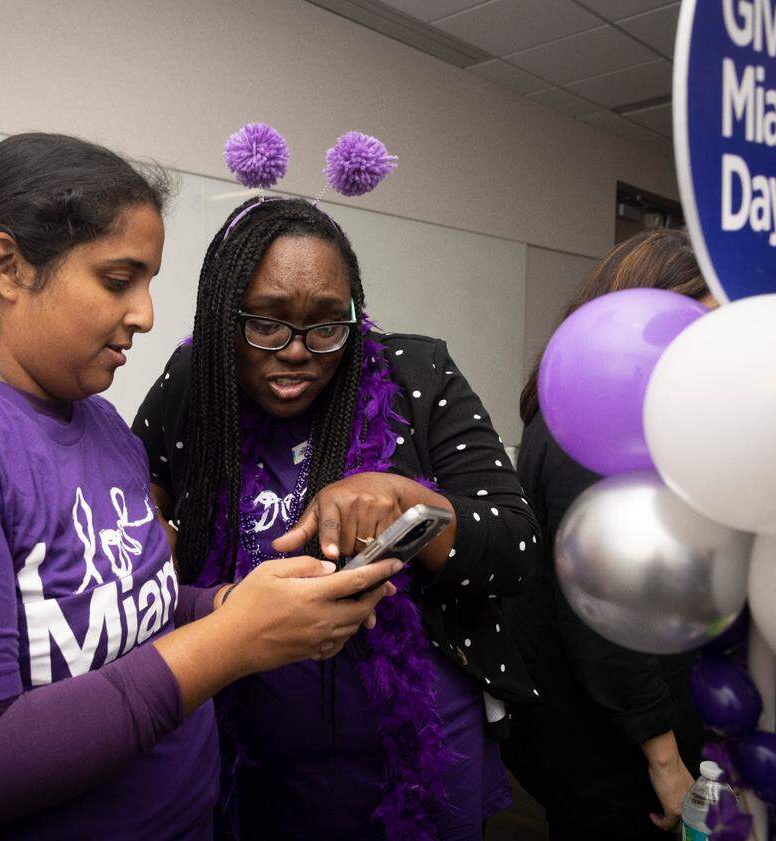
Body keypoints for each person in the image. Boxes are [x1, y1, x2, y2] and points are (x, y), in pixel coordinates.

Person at [0, 134, 398, 840]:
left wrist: (232, 604)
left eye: (148, 283)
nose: (145, 313)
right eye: (118, 280)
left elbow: (124, 614)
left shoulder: (104, 425)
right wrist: (231, 641)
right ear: (8, 266)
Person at [132, 196, 541, 840]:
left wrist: (408, 499)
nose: (298, 351)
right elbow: (138, 492)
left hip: (420, 758)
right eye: (264, 324)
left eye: (328, 325)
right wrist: (152, 527)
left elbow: (515, 549)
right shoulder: (194, 380)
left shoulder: (417, 376)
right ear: (220, 318)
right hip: (250, 761)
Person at [501, 229, 713, 839]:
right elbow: (603, 620)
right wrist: (666, 762)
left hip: (630, 721)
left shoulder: (616, 415)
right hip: (612, 745)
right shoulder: (590, 428)